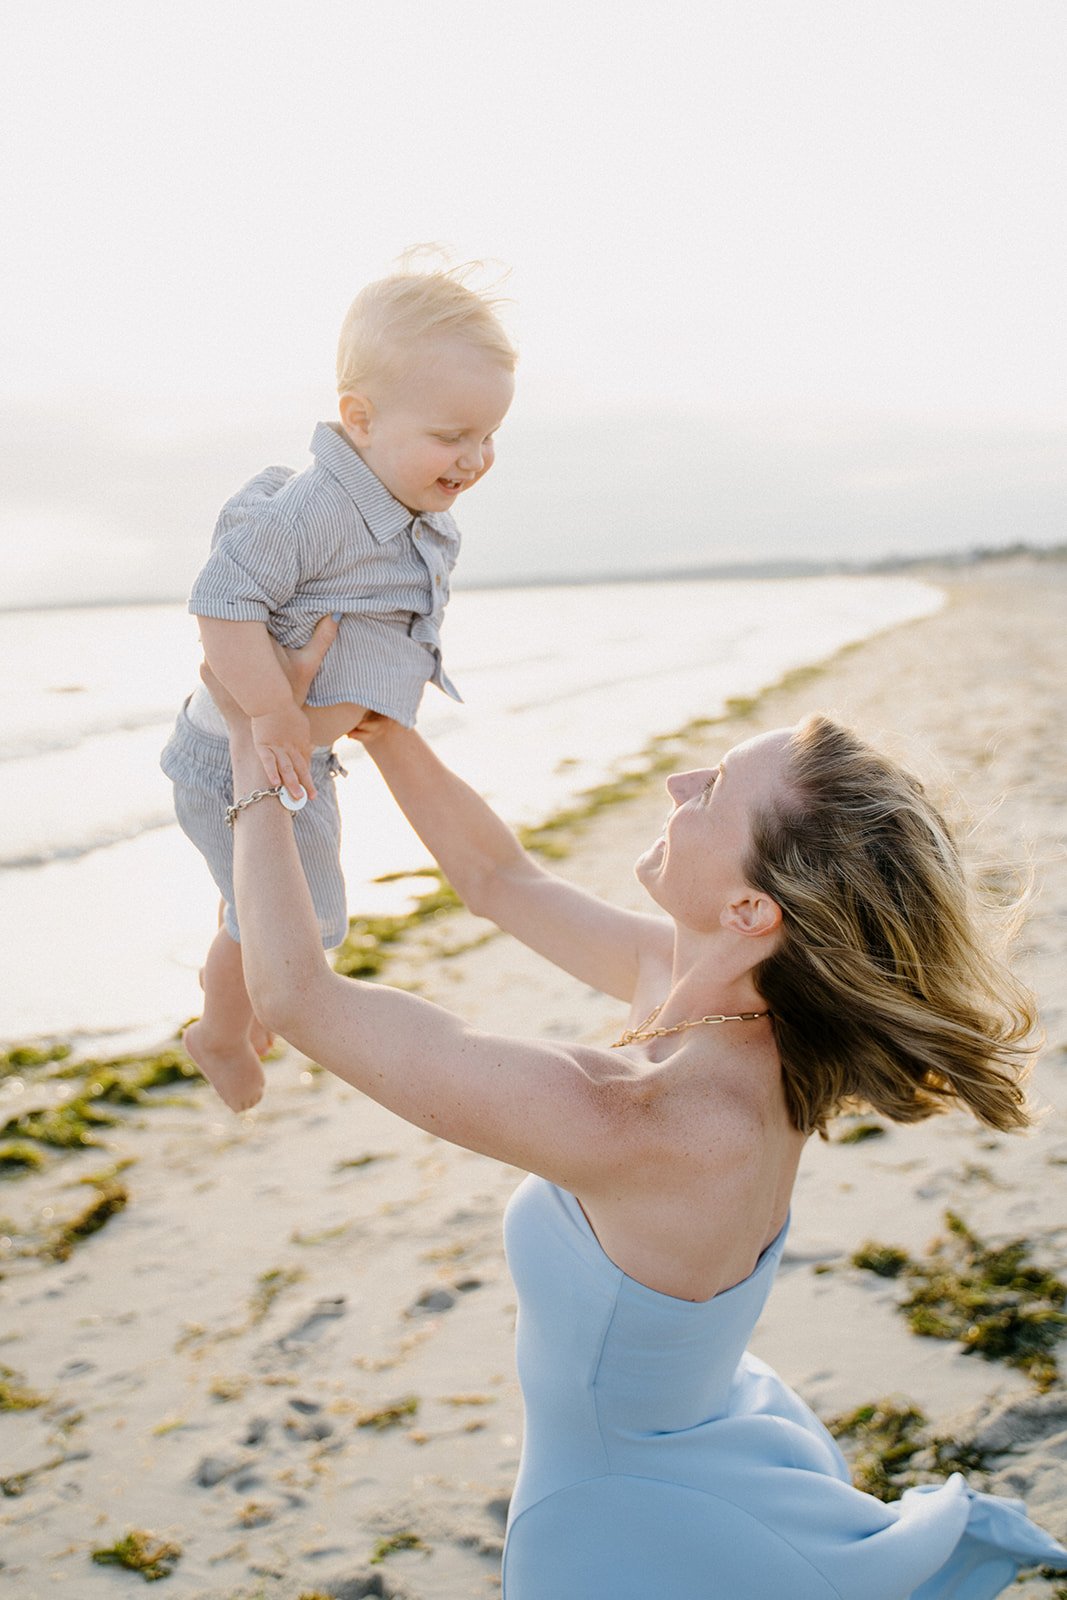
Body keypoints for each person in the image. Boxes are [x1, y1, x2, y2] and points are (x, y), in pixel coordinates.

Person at [204, 623, 1066, 1600]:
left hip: (619, 1517)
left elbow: (299, 999)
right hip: (717, 1429)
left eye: (712, 791)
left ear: (749, 912)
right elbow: (498, 880)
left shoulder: (645, 1121)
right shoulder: (734, 1005)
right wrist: (374, 724)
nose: (676, 782)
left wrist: (252, 754)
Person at [160, 265, 516, 1113]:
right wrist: (276, 714)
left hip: (289, 756)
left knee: (254, 904)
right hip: (245, 756)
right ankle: (218, 1030)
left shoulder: (405, 506)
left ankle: (233, 1000)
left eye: (489, 437)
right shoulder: (323, 506)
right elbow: (221, 599)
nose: (473, 460)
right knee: (303, 924)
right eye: (451, 436)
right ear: (360, 418)